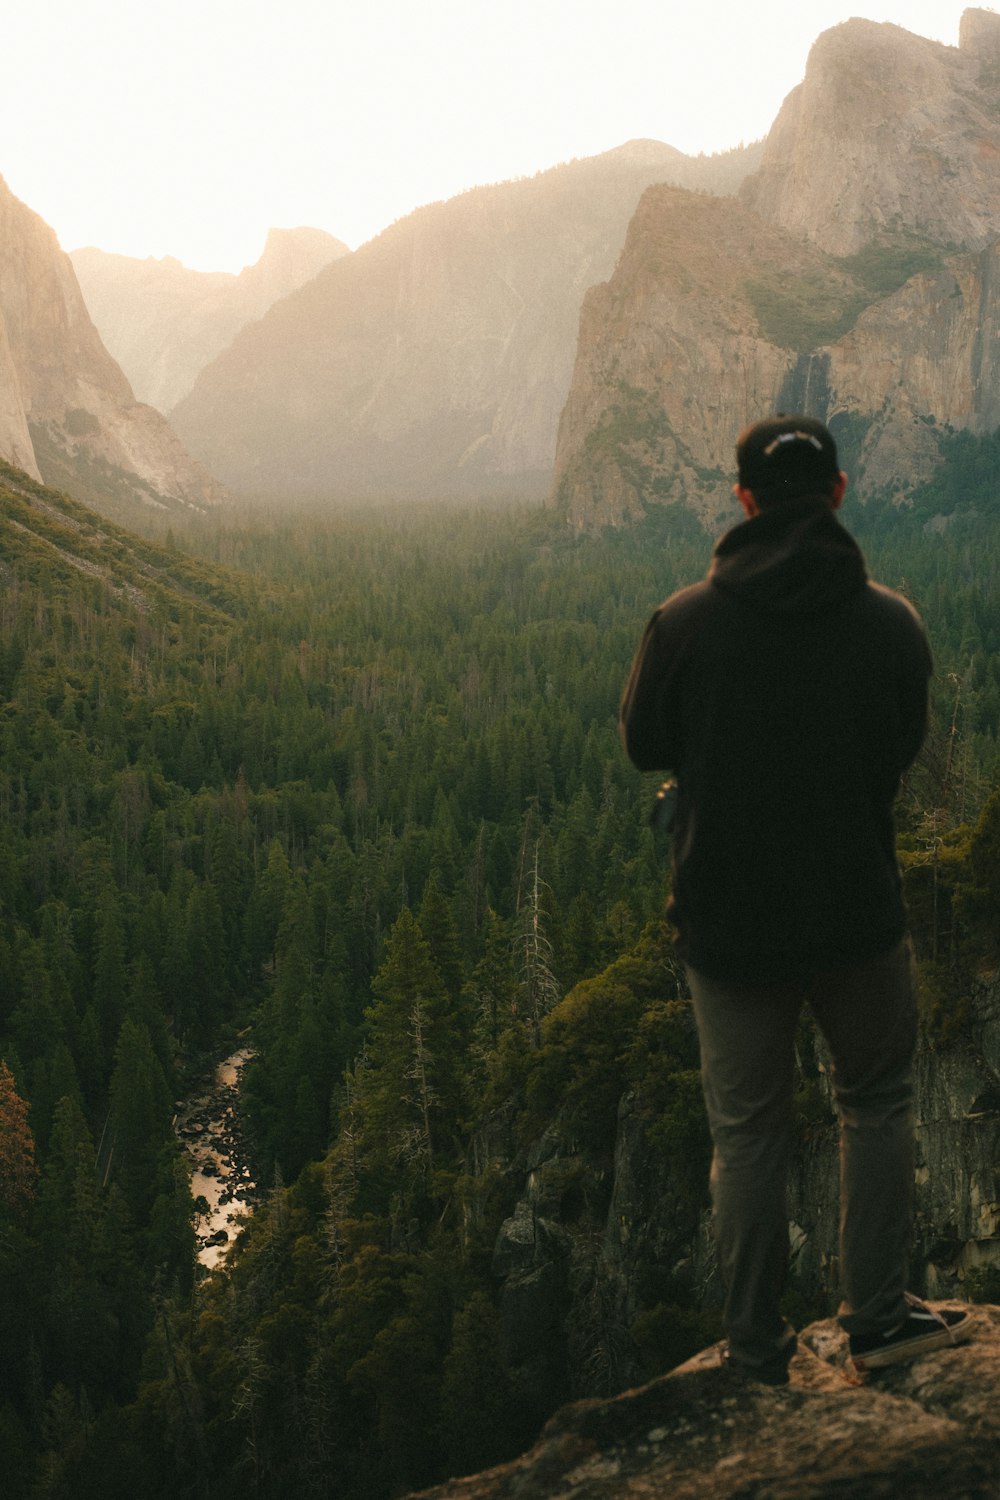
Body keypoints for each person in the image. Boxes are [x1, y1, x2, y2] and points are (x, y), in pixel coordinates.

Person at [620, 413, 970, 1383]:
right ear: (840, 494)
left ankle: (755, 1347)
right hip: (857, 913)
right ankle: (880, 1316)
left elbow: (644, 744)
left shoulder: (681, 624)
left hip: (728, 929)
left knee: (747, 1136)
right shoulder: (890, 623)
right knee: (877, 1102)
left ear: (740, 500)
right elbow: (900, 743)